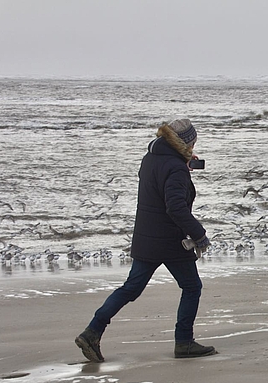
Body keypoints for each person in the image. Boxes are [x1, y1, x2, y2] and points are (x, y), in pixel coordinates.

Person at [75, 119, 216, 362]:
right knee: (192, 287)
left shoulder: (152, 157)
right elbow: (176, 208)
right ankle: (184, 342)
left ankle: (92, 331)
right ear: (184, 142)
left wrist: (181, 164)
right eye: (192, 141)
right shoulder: (175, 167)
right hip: (170, 240)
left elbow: (158, 189)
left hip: (146, 237)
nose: (194, 145)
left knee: (130, 289)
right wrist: (199, 235)